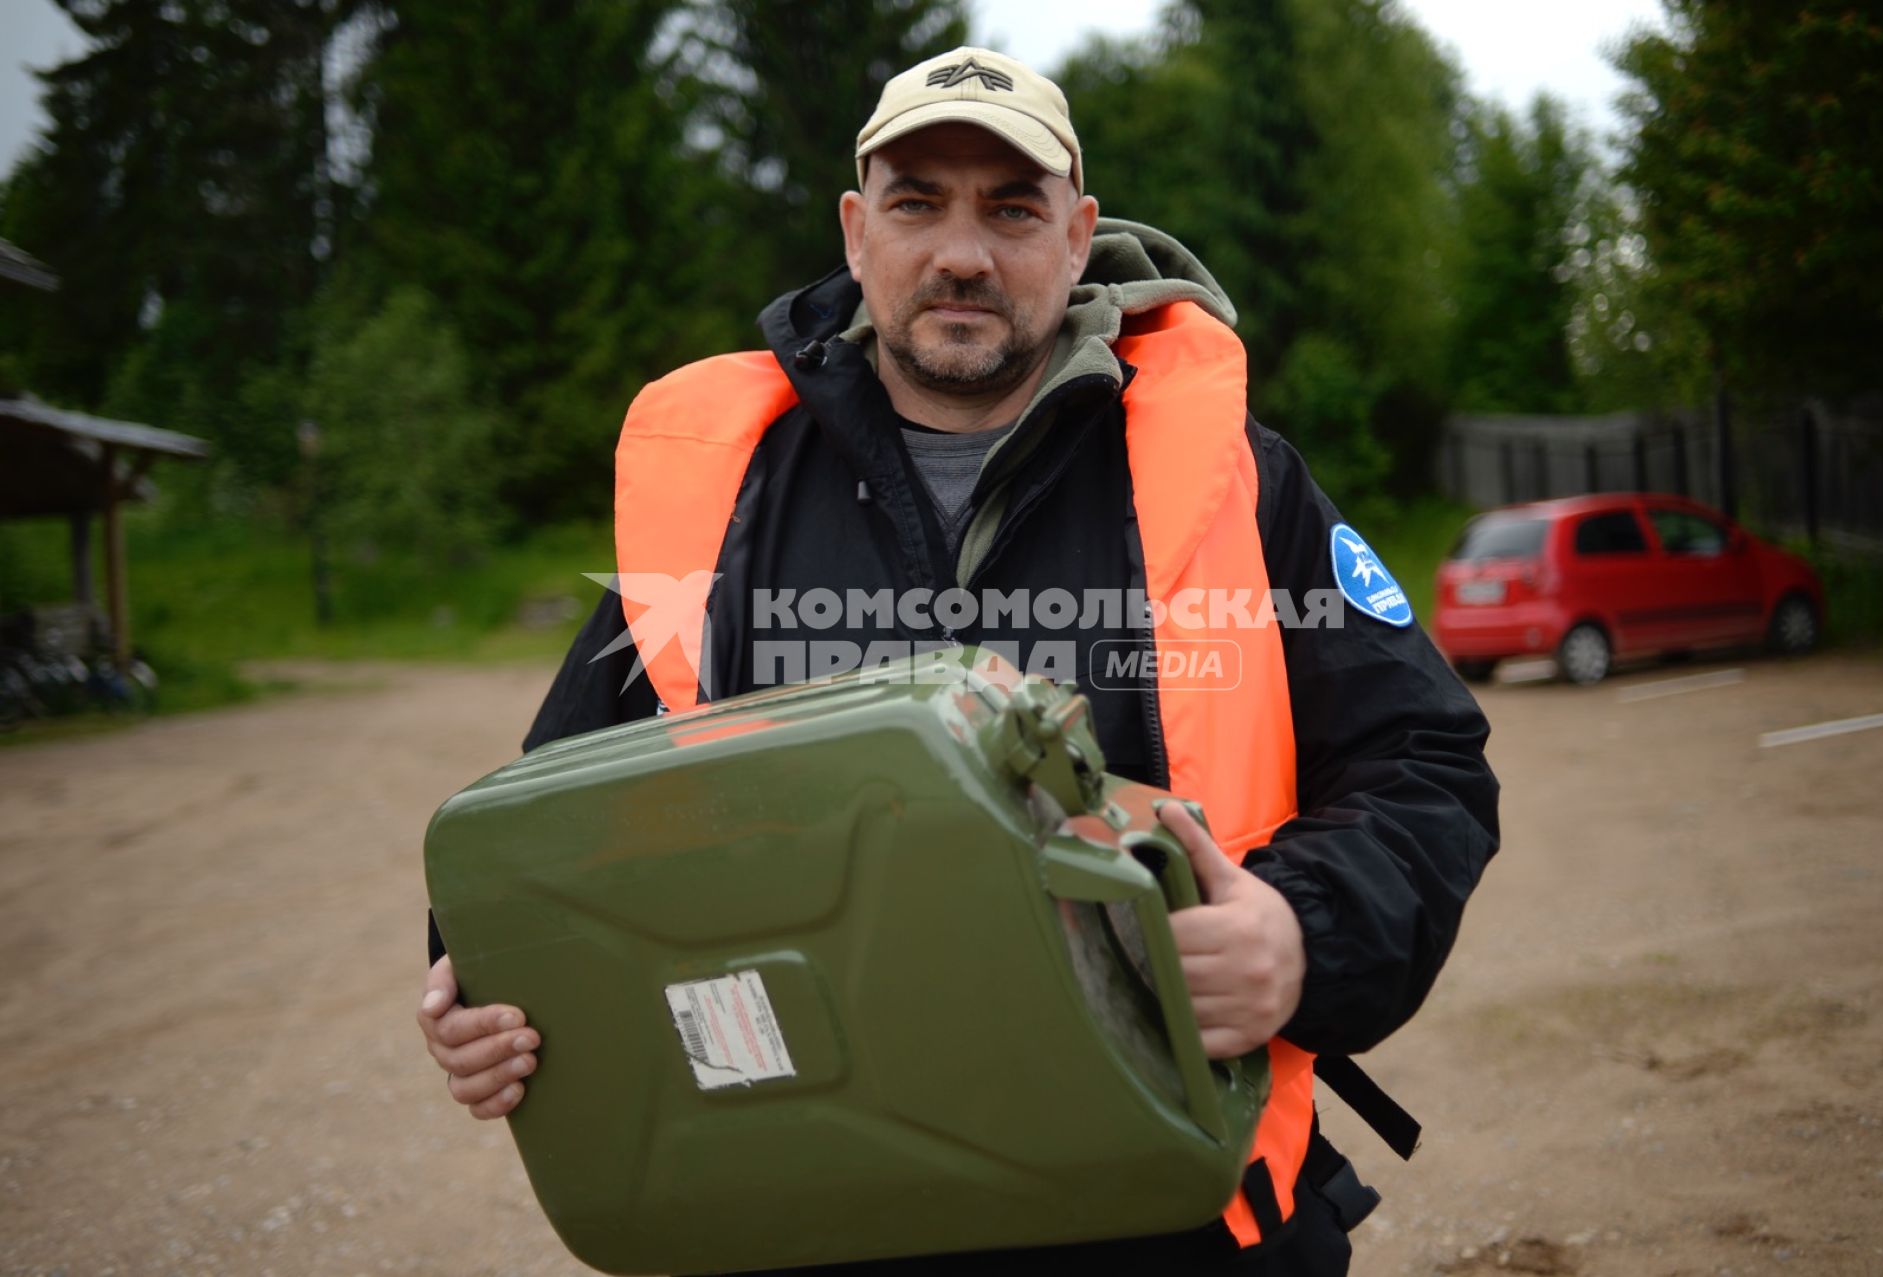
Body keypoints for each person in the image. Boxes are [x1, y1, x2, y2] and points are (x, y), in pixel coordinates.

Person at [418, 45, 1499, 1276]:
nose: (963, 253)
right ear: (855, 229)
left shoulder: (1235, 479)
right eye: (917, 200)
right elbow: (552, 826)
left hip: (1168, 1217)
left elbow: (1427, 760)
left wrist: (1301, 931)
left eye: (1013, 207)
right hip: (815, 1218)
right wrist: (475, 988)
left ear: (1080, 236)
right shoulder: (717, 500)